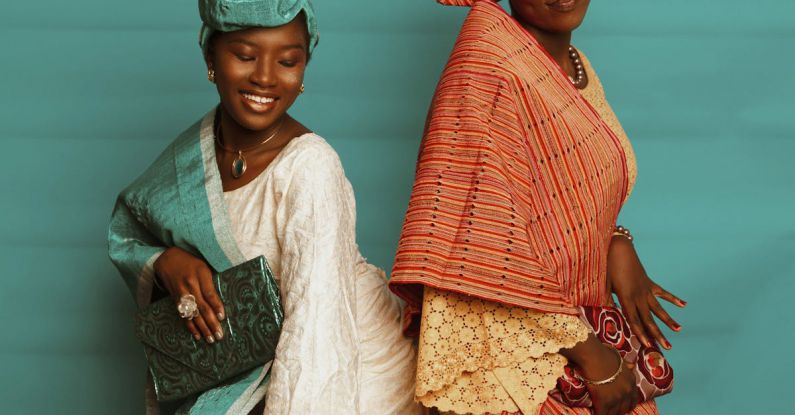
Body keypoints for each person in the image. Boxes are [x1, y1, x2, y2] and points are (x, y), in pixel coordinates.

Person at [108, 1, 420, 414]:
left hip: (346, 366)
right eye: (245, 56)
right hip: (259, 360)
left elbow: (317, 329)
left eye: (288, 61)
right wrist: (166, 261)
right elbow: (132, 227)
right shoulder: (195, 152)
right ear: (210, 57)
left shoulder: (311, 167)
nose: (266, 77)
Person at [389, 1, 687, 415]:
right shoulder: (489, 59)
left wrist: (615, 241)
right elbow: (478, 236)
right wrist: (592, 358)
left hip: (586, 335)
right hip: (515, 361)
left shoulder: (575, 65)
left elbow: (561, 199)